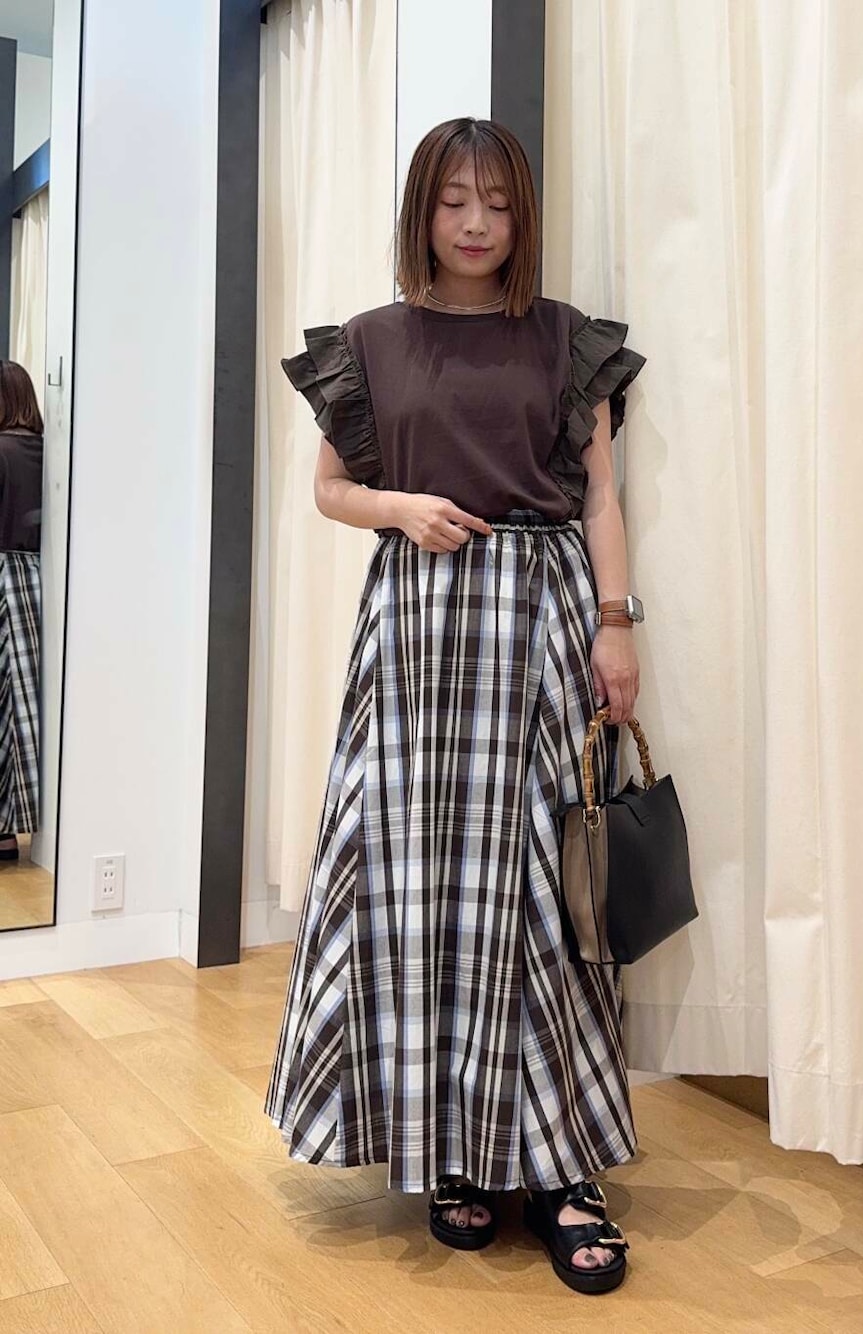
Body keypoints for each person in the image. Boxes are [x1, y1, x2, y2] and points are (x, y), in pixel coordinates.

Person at [265, 117, 647, 1296]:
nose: (476, 223)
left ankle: (564, 1168)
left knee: (540, 893)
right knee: (415, 888)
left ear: (521, 213)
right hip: (417, 630)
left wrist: (617, 622)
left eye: (496, 201)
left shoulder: (565, 340)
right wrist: (399, 508)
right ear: (420, 211)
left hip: (540, 619)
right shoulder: (369, 343)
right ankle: (454, 1149)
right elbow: (330, 489)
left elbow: (599, 495)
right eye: (452, 201)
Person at [0, 360, 44, 863]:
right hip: (35, 581)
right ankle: (11, 829)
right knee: (23, 709)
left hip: (3, 578)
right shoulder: (47, 452)